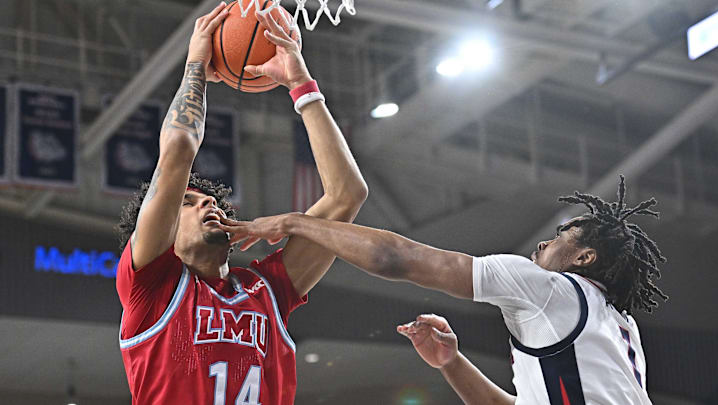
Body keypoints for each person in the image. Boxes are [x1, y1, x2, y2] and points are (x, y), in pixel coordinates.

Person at [218, 176, 667, 405]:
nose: (546, 242)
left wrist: (296, 223)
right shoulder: (619, 326)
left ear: (585, 257)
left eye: (564, 235)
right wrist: (452, 363)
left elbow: (395, 258)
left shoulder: (549, 289)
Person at [114, 4, 367, 405]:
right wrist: (196, 63)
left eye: (210, 199)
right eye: (188, 202)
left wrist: (300, 83)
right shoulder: (151, 286)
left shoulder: (266, 289)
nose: (207, 203)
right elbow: (178, 147)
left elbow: (347, 194)